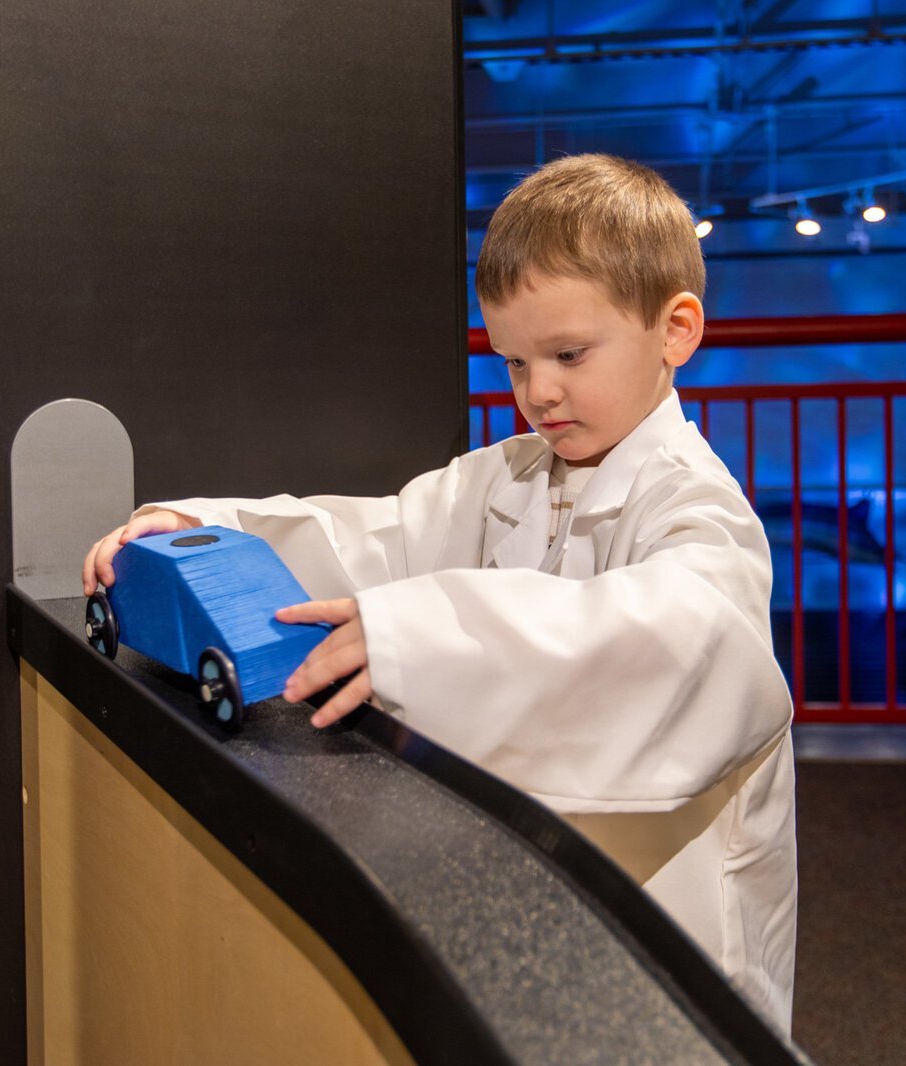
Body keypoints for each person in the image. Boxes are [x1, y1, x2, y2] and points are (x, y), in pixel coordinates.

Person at [82, 154, 798, 1030]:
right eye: (513, 361)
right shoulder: (509, 475)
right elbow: (369, 542)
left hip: (674, 933)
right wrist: (197, 525)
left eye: (569, 353)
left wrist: (424, 634)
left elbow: (682, 638)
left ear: (676, 329)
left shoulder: (696, 505)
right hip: (543, 894)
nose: (538, 392)